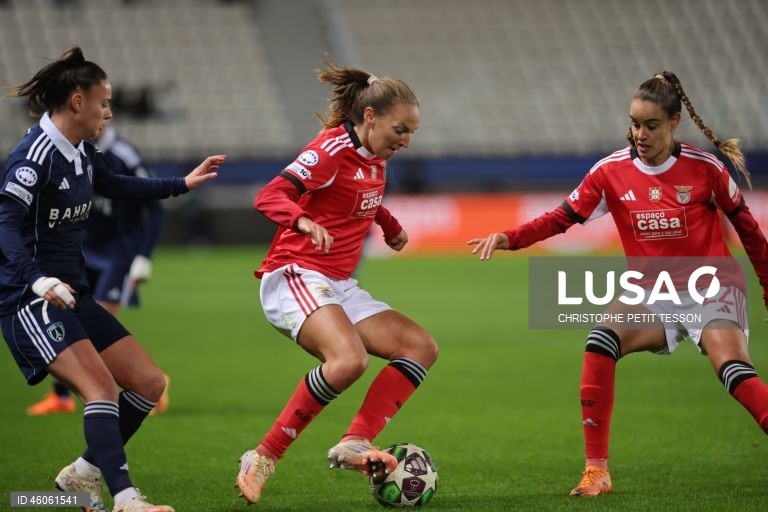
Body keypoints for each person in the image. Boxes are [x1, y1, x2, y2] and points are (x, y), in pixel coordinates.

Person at [468, 71, 768, 497]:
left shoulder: (706, 169)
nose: (640, 134)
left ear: (674, 123)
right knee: (600, 341)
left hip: (712, 286)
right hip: (653, 293)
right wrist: (508, 237)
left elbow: (751, 233)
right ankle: (597, 471)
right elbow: (561, 218)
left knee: (733, 371)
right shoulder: (611, 172)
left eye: (651, 125)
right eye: (634, 124)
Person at [0, 47, 226, 512]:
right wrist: (38, 281)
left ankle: (81, 475)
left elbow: (117, 185)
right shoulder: (33, 157)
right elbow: (4, 225)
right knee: (101, 390)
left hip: (71, 293)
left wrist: (181, 184)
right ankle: (125, 499)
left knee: (148, 384)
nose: (108, 112)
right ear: (77, 101)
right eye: (103, 103)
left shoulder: (82, 150)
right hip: (29, 298)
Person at [235, 62, 438, 505]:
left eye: (412, 133)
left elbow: (361, 197)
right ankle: (263, 456)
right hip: (295, 272)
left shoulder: (376, 156)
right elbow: (270, 195)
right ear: (370, 117)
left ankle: (356, 441)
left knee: (420, 346)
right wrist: (302, 220)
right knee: (348, 361)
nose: (406, 141)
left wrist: (389, 225)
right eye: (400, 130)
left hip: (337, 282)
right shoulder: (329, 150)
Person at [26, 124, 170, 417]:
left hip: (119, 254)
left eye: (106, 106)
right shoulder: (67, 149)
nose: (104, 114)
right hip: (82, 253)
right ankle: (62, 396)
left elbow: (154, 208)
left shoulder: (123, 155)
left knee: (99, 324)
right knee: (67, 319)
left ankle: (151, 384)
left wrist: (143, 256)